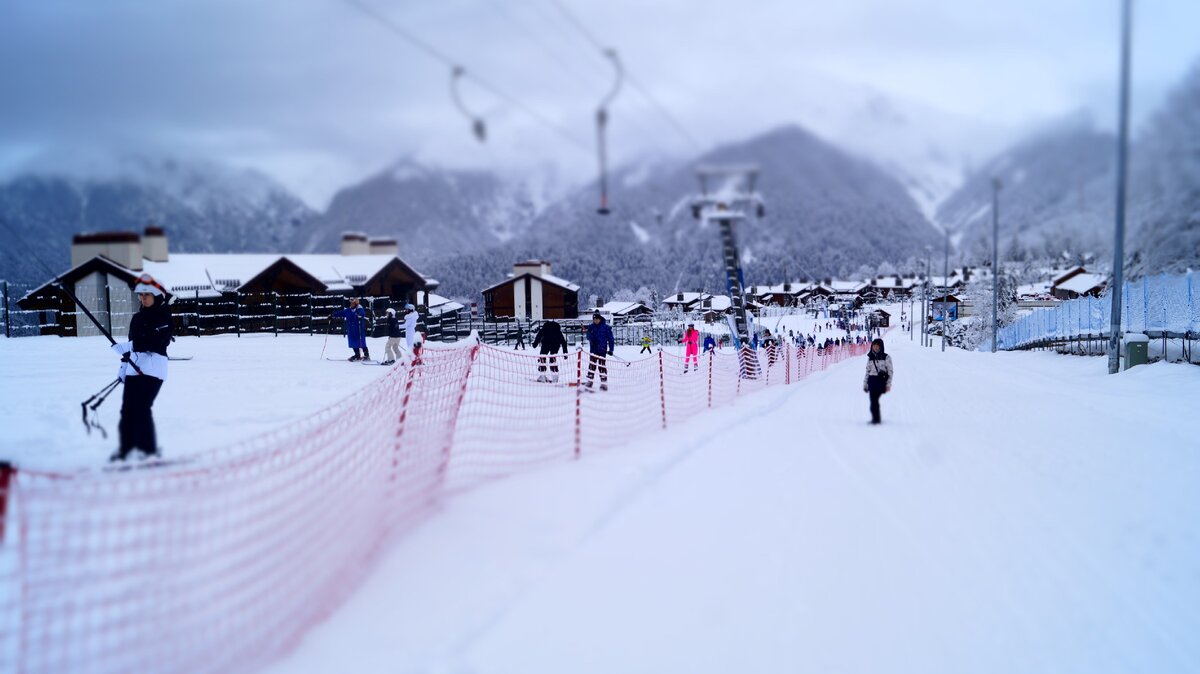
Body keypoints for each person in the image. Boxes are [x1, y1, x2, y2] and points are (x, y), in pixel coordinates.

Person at [110, 273, 172, 461]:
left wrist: (130, 346)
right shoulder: (137, 318)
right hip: (134, 367)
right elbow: (132, 343)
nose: (142, 298)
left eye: (147, 295)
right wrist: (123, 368)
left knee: (142, 407)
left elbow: (158, 341)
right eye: (141, 295)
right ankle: (126, 449)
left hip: (154, 368)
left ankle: (148, 450)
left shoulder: (164, 316)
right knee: (127, 409)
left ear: (157, 296)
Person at [863, 338, 894, 425]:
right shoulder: (870, 358)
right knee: (873, 400)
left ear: (881, 347)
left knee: (874, 400)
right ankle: (875, 418)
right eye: (874, 345)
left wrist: (888, 384)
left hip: (881, 381)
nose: (876, 347)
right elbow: (867, 371)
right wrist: (865, 384)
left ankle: (876, 419)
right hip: (872, 380)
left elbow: (890, 371)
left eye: (878, 346)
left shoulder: (886, 357)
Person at [584, 312, 614, 390]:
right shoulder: (591, 327)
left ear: (600, 319)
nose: (596, 321)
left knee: (602, 366)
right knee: (592, 366)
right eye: (594, 319)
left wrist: (611, 349)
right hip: (593, 350)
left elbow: (611, 339)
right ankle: (590, 381)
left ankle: (603, 383)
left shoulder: (606, 327)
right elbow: (587, 335)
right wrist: (591, 338)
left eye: (597, 319)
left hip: (602, 350)